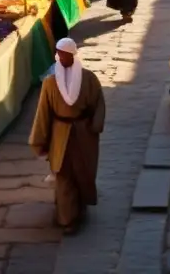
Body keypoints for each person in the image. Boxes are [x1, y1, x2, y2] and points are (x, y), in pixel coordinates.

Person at [29, 38, 106, 233]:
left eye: (66, 54)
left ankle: (80, 207)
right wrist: (40, 139)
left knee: (82, 171)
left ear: (73, 54)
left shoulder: (89, 79)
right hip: (60, 134)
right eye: (59, 53)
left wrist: (95, 126)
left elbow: (98, 103)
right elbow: (43, 112)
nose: (62, 57)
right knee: (63, 175)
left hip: (83, 133)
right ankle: (67, 219)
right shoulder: (50, 83)